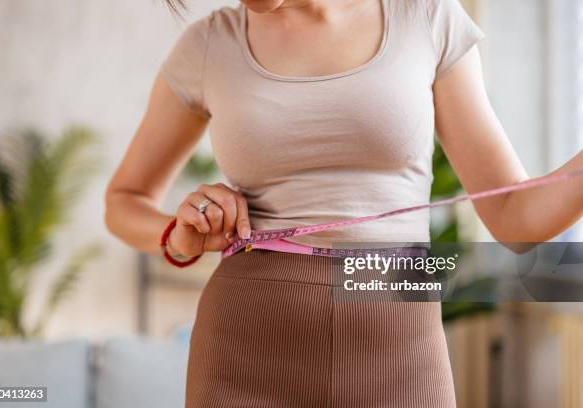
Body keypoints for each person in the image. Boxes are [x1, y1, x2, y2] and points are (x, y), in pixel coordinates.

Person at [105, 0, 583, 406]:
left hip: (400, 347)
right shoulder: (210, 44)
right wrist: (178, 233)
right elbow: (123, 200)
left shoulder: (424, 16)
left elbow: (515, 215)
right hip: (245, 343)